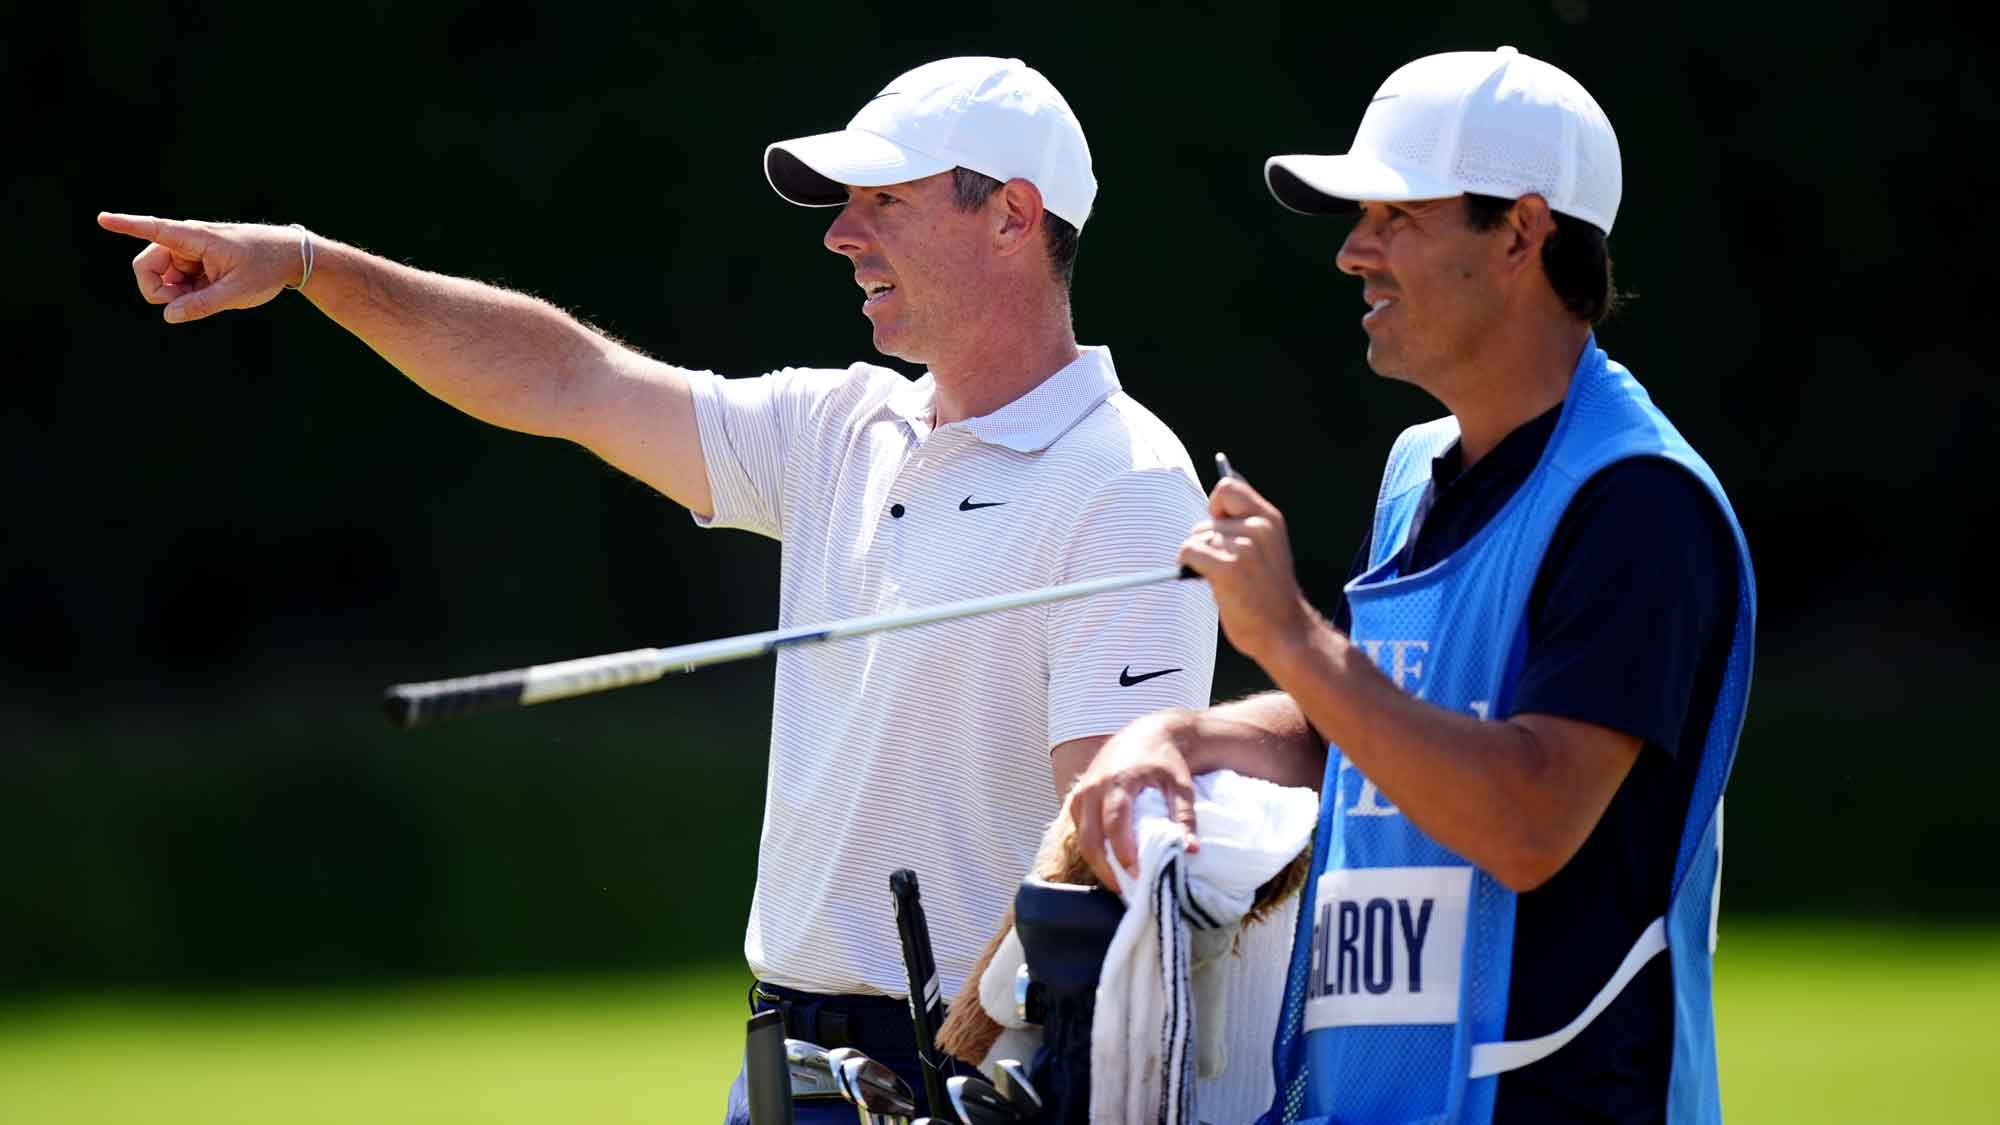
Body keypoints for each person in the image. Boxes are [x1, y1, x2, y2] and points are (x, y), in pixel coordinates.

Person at [100, 56, 1218, 1123]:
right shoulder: (838, 424)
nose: (840, 234)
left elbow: (1103, 845)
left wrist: (969, 1056)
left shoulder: (1125, 481)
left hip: (977, 1071)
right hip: (788, 1059)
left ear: (1013, 215)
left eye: (883, 200)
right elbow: (567, 375)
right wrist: (308, 263)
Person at [1066, 46, 1756, 1124]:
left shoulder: (1636, 500)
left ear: (1521, 232)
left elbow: (1528, 818)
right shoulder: (1413, 472)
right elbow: (1363, 727)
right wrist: (1180, 740)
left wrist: (1290, 633)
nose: (1351, 253)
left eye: (1394, 217)